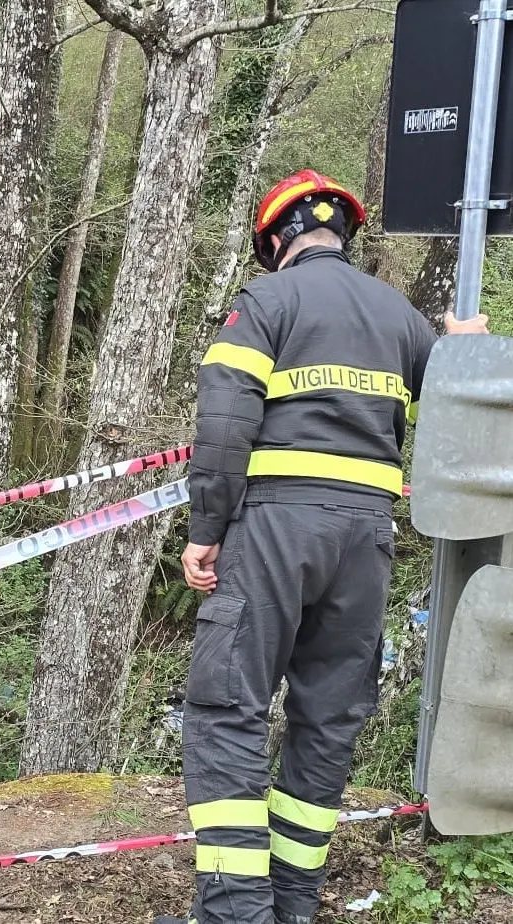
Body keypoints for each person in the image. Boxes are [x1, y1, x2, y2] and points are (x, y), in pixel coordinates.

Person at [157, 170, 490, 924]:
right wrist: (461, 350)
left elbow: (224, 426)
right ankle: (293, 905)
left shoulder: (265, 301)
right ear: (342, 233)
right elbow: (457, 403)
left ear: (277, 238)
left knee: (227, 708)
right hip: (368, 537)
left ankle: (235, 912)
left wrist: (205, 532)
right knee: (329, 717)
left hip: (275, 528)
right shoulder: (401, 317)